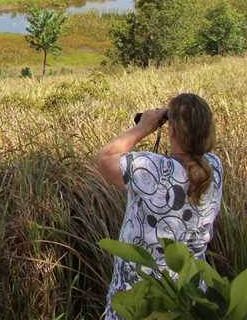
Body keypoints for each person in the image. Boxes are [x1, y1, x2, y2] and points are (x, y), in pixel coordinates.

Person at [94, 93, 223, 320]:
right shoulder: (214, 167)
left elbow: (105, 158)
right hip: (191, 294)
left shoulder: (153, 170)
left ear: (171, 130)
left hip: (143, 297)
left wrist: (144, 126)